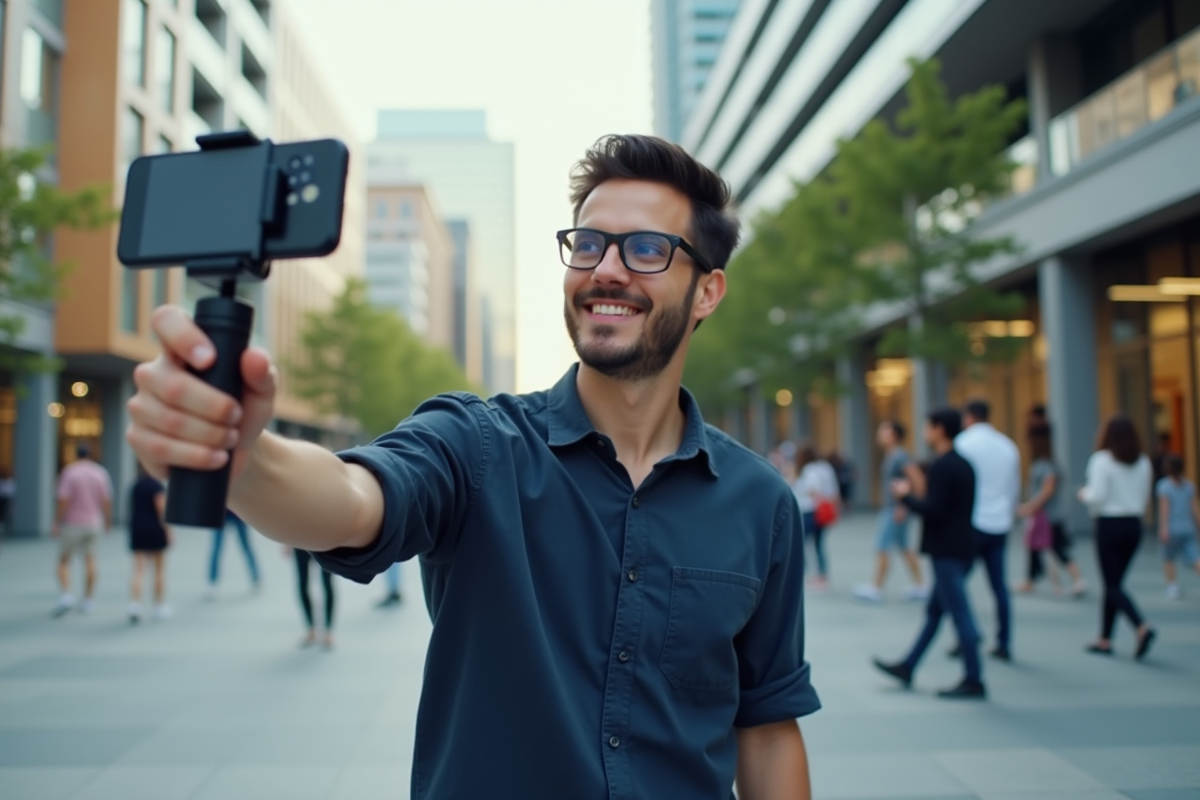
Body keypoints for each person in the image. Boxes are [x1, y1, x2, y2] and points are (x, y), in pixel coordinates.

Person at [125, 134, 821, 798]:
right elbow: (354, 495)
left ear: (707, 291)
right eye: (587, 244)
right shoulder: (478, 444)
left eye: (645, 249)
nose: (606, 268)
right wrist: (246, 457)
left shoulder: (760, 502)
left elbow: (765, 727)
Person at [872, 408, 985, 699]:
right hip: (961, 547)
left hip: (947, 551)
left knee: (960, 615)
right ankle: (908, 666)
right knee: (935, 613)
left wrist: (904, 497)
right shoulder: (963, 464)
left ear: (938, 429)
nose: (924, 431)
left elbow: (934, 510)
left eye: (927, 426)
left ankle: (974, 678)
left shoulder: (944, 466)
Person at [1078, 414, 1155, 659]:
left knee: (1112, 584)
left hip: (1110, 524)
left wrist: (1083, 494)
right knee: (1114, 583)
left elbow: (1097, 496)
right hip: (1134, 524)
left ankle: (1141, 626)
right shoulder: (1143, 462)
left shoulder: (1102, 460)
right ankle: (1105, 638)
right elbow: (1144, 497)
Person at [954, 399, 1020, 661]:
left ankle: (969, 633)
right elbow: (1013, 487)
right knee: (999, 587)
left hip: (971, 522)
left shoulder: (963, 444)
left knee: (955, 584)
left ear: (968, 417)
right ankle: (1004, 641)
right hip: (999, 523)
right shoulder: (1007, 446)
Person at [854, 420, 927, 603]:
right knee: (903, 547)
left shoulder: (900, 456)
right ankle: (920, 585)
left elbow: (918, 482)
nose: (880, 434)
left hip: (894, 510)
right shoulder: (894, 455)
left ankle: (876, 587)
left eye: (883, 430)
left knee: (882, 546)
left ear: (893, 434)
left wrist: (905, 506)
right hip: (895, 509)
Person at [1014, 424, 1086, 597]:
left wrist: (1030, 506)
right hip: (1044, 515)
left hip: (1048, 516)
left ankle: (1078, 580)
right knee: (1035, 548)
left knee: (1058, 548)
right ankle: (1030, 580)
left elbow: (1048, 489)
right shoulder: (1046, 463)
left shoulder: (1046, 465)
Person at [51, 444, 113, 617]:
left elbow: (63, 499)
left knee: (63, 560)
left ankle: (66, 595)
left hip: (72, 523)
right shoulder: (100, 473)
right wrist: (108, 521)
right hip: (93, 523)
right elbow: (106, 499)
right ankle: (88, 599)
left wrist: (56, 521)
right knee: (90, 560)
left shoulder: (69, 472)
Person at [791, 443, 841, 593]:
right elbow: (833, 490)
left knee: (800, 543)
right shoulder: (825, 468)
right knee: (819, 544)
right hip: (822, 511)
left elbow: (813, 490)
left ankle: (801, 573)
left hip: (809, 510)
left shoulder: (809, 470)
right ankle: (822, 576)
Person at [128, 464, 172, 623]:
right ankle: (158, 606)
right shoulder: (156, 486)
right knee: (159, 570)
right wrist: (169, 532)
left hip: (138, 531)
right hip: (155, 531)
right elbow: (161, 509)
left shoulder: (135, 486)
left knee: (138, 569)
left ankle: (135, 605)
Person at [1155, 454, 1200, 599]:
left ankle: (1172, 585)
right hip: (1187, 528)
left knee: (1168, 558)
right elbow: (1195, 508)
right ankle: (1172, 586)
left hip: (1172, 528)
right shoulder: (1189, 486)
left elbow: (1164, 510)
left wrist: (1163, 528)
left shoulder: (1164, 486)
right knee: (1194, 558)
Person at [205, 508, 260, 599]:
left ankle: (256, 577)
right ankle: (212, 581)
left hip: (238, 512)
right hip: (221, 512)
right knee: (216, 548)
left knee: (246, 546)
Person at [292, 547, 336, 649]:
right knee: (303, 584)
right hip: (301, 543)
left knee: (327, 584)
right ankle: (311, 629)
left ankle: (328, 630)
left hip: (324, 544)